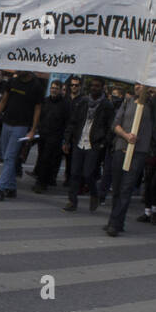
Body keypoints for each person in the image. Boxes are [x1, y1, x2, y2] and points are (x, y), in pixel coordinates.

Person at [105, 84, 156, 236]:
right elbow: (115, 124)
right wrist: (126, 135)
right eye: (137, 84)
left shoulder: (153, 105)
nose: (138, 87)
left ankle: (115, 223)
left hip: (138, 152)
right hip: (121, 148)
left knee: (126, 189)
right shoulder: (127, 102)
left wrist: (152, 87)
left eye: (142, 84)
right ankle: (115, 221)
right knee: (117, 188)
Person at [0, 69, 44, 201]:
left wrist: (33, 130)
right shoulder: (12, 81)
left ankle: (1, 189)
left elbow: (38, 109)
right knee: (5, 156)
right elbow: (4, 101)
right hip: (7, 123)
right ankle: (12, 187)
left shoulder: (36, 86)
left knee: (9, 157)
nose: (18, 70)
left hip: (21, 126)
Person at [62, 78, 114, 212]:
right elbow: (73, 122)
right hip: (79, 141)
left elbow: (110, 127)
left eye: (97, 86)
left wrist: (103, 143)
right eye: (92, 86)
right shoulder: (83, 102)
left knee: (88, 174)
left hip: (94, 144)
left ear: (102, 87)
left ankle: (94, 194)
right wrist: (67, 140)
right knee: (74, 173)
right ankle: (72, 201)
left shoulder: (106, 105)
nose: (94, 88)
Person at [32, 79, 70, 193]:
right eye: (52, 88)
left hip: (55, 136)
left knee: (46, 159)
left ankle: (41, 183)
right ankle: (43, 180)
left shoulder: (65, 104)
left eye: (56, 88)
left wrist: (65, 139)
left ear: (60, 90)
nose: (54, 90)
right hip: (43, 134)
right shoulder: (45, 101)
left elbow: (67, 122)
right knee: (41, 158)